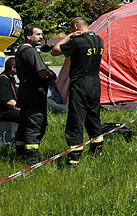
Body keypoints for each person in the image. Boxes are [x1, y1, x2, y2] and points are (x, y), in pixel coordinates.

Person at [52, 17, 104, 167]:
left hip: (80, 83)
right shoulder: (99, 40)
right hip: (95, 82)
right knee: (93, 116)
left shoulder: (77, 41)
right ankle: (97, 149)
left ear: (75, 27)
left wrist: (68, 37)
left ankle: (74, 158)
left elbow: (55, 51)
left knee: (76, 120)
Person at [14, 24, 57, 162]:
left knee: (24, 122)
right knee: (36, 122)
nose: (41, 37)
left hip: (25, 91)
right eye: (37, 34)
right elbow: (41, 73)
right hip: (34, 93)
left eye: (41, 34)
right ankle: (31, 156)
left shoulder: (20, 49)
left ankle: (20, 151)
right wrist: (52, 76)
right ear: (28, 36)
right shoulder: (30, 52)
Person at [0, 57, 19, 122]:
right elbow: (9, 102)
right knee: (24, 115)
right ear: (13, 68)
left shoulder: (11, 79)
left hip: (8, 110)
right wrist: (22, 109)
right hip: (0, 112)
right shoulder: (2, 81)